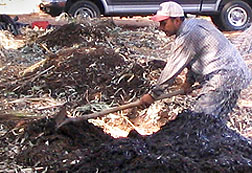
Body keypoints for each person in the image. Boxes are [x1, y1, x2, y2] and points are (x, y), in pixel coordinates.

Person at [139, 1, 251, 118]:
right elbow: (195, 59)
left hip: (222, 77)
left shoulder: (186, 36)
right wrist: (189, 82)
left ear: (177, 20)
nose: (161, 28)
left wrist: (153, 95)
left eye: (164, 23)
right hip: (238, 75)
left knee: (199, 119)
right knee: (216, 122)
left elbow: (172, 68)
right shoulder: (197, 24)